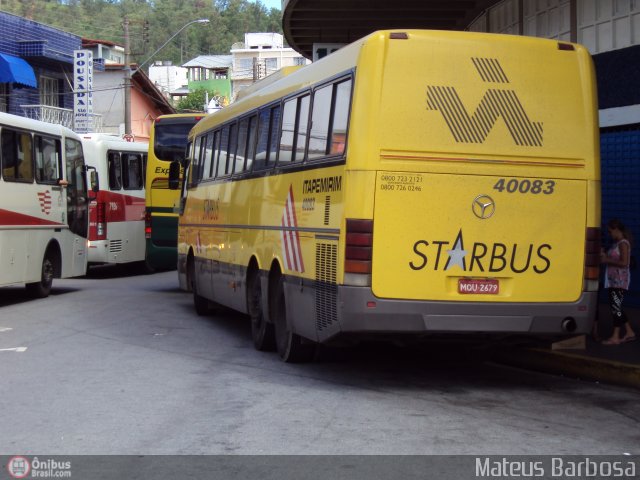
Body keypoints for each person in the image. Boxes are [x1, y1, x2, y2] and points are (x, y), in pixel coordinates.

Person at [600, 219, 636, 345]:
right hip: (613, 281)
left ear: (616, 229)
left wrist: (606, 260)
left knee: (616, 308)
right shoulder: (617, 243)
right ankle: (629, 332)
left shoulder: (623, 243)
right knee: (617, 307)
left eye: (610, 231)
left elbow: (624, 263)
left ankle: (615, 337)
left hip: (619, 281)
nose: (609, 234)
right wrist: (604, 256)